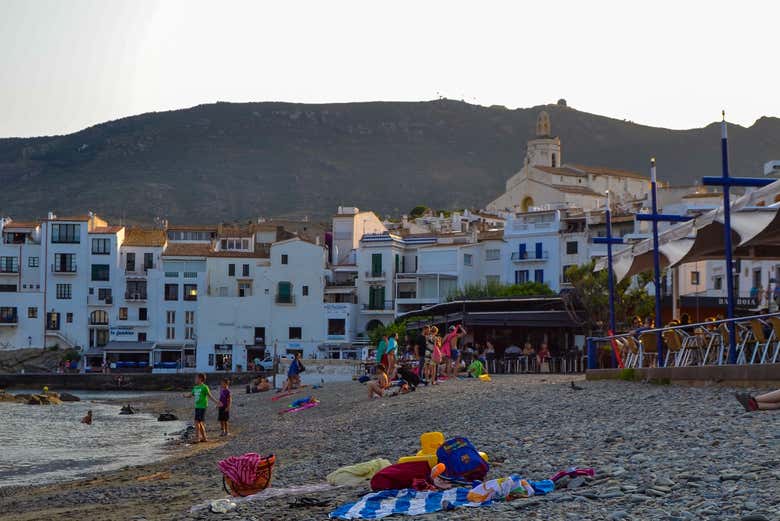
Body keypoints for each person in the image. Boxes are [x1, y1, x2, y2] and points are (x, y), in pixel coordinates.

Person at [188, 373, 219, 443]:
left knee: (196, 422)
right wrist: (185, 396)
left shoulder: (204, 387)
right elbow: (190, 395)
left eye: (196, 378)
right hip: (197, 407)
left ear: (201, 379)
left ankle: (197, 438)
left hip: (202, 407)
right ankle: (204, 437)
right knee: (200, 422)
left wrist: (217, 402)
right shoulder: (195, 388)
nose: (195, 379)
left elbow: (209, 396)